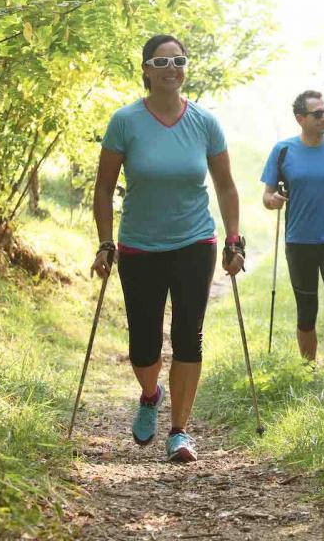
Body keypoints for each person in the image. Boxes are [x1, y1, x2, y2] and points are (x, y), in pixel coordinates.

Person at [91, 33, 244, 463]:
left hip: (194, 242)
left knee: (188, 336)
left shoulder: (205, 123)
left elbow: (227, 187)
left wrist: (233, 239)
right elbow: (103, 190)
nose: (171, 68)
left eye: (178, 60)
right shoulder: (125, 121)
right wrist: (105, 242)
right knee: (144, 344)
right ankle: (149, 392)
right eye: (161, 62)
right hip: (139, 245)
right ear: (145, 70)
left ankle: (180, 431)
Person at [260, 90, 324, 388]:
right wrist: (275, 200)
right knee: (306, 310)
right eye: (317, 113)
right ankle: (308, 372)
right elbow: (267, 197)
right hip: (298, 242)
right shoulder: (283, 151)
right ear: (300, 118)